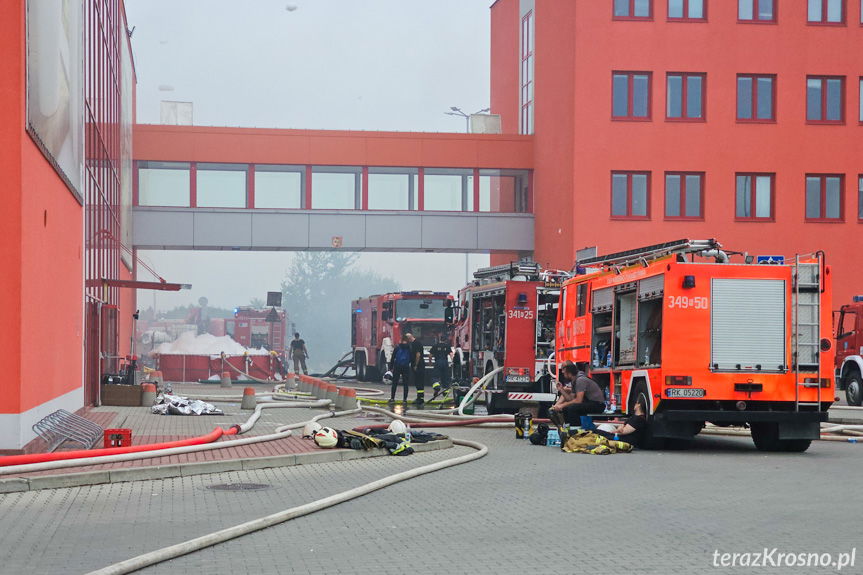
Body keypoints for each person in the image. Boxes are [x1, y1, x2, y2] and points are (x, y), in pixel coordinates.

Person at [389, 335, 413, 402]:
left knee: (395, 383)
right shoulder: (409, 348)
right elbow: (411, 358)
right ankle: (404, 399)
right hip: (406, 367)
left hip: (397, 366)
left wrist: (391, 367)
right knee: (405, 384)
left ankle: (392, 398)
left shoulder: (397, 347)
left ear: (401, 340)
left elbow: (393, 357)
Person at [406, 332, 426, 405]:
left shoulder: (416, 343)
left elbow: (418, 355)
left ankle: (420, 399)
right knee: (418, 382)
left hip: (419, 365)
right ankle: (420, 398)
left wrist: (415, 365)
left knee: (419, 382)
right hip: (418, 365)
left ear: (410, 338)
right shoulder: (414, 343)